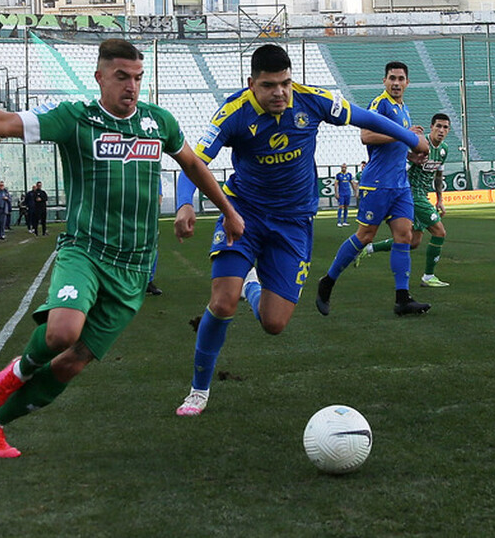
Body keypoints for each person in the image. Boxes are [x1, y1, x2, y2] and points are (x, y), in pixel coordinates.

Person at [0, 38, 243, 458]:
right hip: (86, 250)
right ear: (100, 78)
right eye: (121, 77)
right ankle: (16, 372)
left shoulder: (158, 123)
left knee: (73, 361)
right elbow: (8, 124)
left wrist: (226, 210)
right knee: (62, 331)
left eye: (137, 78)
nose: (131, 86)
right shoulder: (75, 119)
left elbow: (191, 164)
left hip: (133, 267)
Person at [172, 44, 426, 417]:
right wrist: (185, 201)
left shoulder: (312, 100)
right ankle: (198, 389)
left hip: (293, 222)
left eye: (285, 83)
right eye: (269, 85)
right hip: (242, 215)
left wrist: (411, 138)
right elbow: (194, 160)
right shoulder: (233, 113)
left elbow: (364, 118)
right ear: (251, 84)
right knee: (222, 302)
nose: (279, 92)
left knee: (275, 323)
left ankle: (252, 284)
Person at [316, 62, 433, 318]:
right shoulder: (379, 103)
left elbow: (397, 147)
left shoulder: (404, 109)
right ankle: (328, 281)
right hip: (377, 183)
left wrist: (412, 157)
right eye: (392, 78)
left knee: (405, 236)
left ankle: (402, 299)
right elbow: (366, 136)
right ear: (384, 80)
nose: (396, 83)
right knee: (365, 236)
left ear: (407, 83)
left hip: (400, 184)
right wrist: (404, 135)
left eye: (401, 79)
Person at [355, 113, 452, 288]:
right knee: (439, 232)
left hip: (424, 194)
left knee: (413, 242)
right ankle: (428, 277)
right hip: (411, 193)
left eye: (445, 127)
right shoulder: (420, 145)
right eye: (438, 126)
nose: (441, 130)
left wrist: (440, 200)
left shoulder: (443, 150)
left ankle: (368, 248)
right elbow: (400, 165)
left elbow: (438, 176)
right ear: (431, 127)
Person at [146, 177, 163, 296]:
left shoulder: (153, 167)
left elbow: (159, 198)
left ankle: (148, 281)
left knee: (152, 244)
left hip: (148, 211)